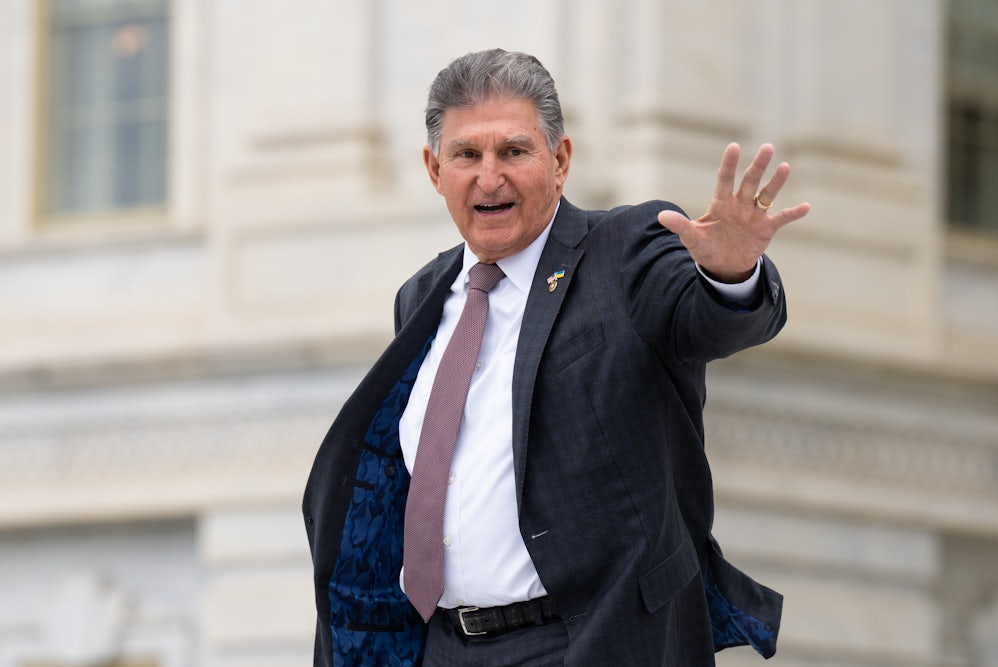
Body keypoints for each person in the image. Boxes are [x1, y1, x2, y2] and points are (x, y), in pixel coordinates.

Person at [303, 48, 811, 666]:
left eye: (514, 151)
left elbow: (704, 319)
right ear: (435, 170)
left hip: (586, 641)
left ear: (560, 160)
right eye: (467, 155)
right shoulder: (421, 297)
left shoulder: (623, 252)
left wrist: (731, 272)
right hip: (441, 647)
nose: (490, 177)